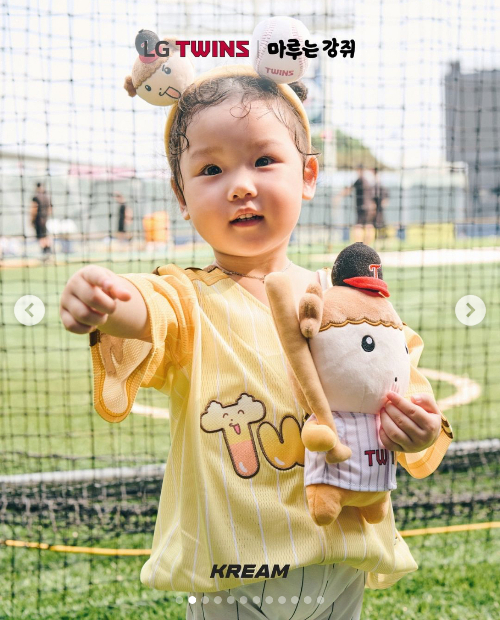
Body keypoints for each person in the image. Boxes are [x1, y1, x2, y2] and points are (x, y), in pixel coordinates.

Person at [60, 65, 452, 620]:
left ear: (308, 175)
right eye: (212, 169)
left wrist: (421, 428)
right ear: (182, 195)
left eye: (264, 160)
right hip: (235, 580)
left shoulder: (349, 303)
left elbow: (411, 399)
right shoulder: (189, 300)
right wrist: (106, 295)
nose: (241, 184)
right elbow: (146, 308)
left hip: (340, 566)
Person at [336, 164, 375, 245]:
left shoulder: (360, 180)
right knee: (368, 225)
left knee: (358, 226)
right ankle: (367, 245)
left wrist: (338, 196)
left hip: (362, 207)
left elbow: (349, 189)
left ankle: (359, 244)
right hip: (369, 208)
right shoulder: (367, 181)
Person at [30, 182, 53, 257]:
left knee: (41, 237)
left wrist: (31, 220)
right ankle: (48, 251)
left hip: (38, 220)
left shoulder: (36, 197)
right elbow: (51, 209)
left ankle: (45, 253)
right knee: (45, 236)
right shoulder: (47, 197)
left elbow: (34, 209)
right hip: (45, 220)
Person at [372, 167, 389, 240]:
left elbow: (386, 198)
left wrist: (383, 203)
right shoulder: (371, 185)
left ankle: (383, 237)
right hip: (372, 210)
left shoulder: (380, 186)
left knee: (381, 223)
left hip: (379, 210)